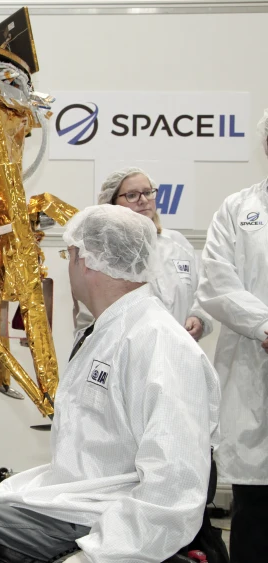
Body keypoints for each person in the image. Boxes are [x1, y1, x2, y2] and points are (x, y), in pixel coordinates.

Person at [0, 205, 220, 563]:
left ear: (86, 260)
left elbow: (174, 485)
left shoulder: (159, 343)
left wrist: (94, 557)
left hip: (100, 516)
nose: (68, 264)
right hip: (79, 497)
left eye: (69, 254)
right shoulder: (112, 329)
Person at [196, 109, 268, 563]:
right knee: (255, 511)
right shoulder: (239, 208)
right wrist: (264, 325)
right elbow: (216, 284)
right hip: (253, 366)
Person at [73, 167, 211, 342]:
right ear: (111, 203)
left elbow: (203, 290)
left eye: (147, 192)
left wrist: (198, 317)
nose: (143, 200)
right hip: (126, 354)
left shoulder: (178, 244)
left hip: (180, 352)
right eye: (132, 195)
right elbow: (89, 318)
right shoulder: (103, 252)